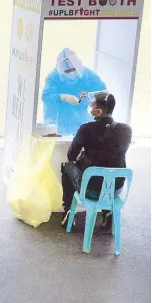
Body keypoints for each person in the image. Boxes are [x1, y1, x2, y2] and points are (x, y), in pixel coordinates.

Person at [61, 93, 132, 230]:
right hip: (116, 188)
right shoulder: (126, 130)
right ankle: (108, 211)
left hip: (91, 189)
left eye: (92, 104)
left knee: (68, 167)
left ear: (99, 109)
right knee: (110, 167)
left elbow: (71, 155)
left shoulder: (86, 128)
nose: (90, 106)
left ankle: (69, 210)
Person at [41, 48, 106, 136]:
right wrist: (63, 97)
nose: (71, 75)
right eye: (67, 72)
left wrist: (91, 100)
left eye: (73, 70)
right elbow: (46, 97)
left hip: (83, 123)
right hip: (59, 125)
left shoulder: (89, 76)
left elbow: (103, 93)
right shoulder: (53, 77)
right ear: (60, 70)